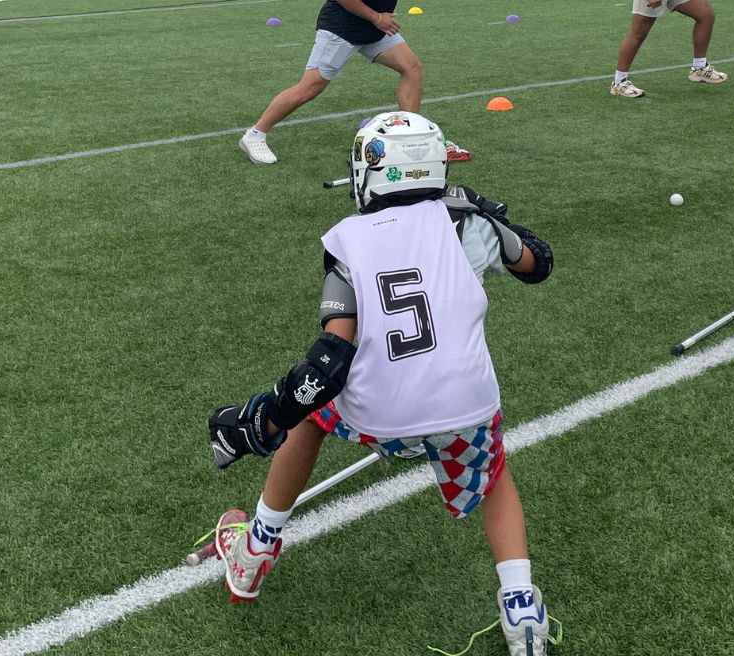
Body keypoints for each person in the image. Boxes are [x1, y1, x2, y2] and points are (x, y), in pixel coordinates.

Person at [208, 111, 557, 655]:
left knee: (315, 420)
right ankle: (521, 609)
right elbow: (538, 265)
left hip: (375, 412)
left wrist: (267, 417)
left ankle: (255, 548)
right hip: (464, 410)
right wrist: (492, 219)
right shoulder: (468, 223)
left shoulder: (349, 240)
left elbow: (330, 360)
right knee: (494, 475)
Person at [238, 0, 425, 165]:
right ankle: (255, 135)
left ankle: (414, 137)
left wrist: (379, 16)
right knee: (311, 87)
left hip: (373, 29)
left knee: (413, 68)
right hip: (343, 28)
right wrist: (377, 17)